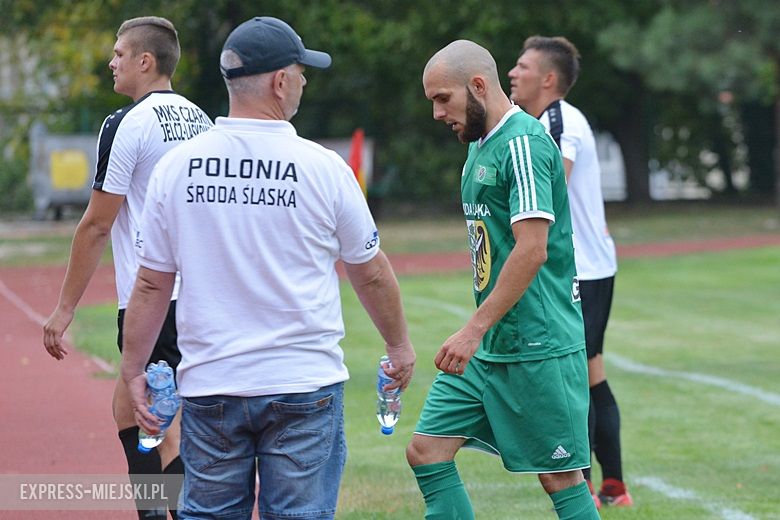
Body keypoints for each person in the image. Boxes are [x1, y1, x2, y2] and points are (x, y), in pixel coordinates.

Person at [119, 16, 416, 519]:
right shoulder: (323, 167)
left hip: (212, 384)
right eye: (300, 72)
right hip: (302, 384)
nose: (302, 81)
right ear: (281, 81)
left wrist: (133, 369)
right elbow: (369, 270)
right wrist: (399, 346)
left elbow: (151, 282)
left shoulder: (178, 167)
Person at [408, 39, 599, 520]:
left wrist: (472, 328)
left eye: (442, 98)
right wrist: (481, 332)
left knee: (559, 478)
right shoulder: (479, 144)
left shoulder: (524, 144)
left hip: (537, 344)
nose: (436, 113)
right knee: (426, 450)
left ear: (477, 85)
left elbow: (532, 250)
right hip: (492, 344)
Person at [43, 16, 213, 520]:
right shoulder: (203, 119)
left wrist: (63, 309)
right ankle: (154, 510)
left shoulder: (127, 123)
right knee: (129, 402)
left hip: (152, 294)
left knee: (162, 419)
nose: (110, 62)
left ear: (146, 61)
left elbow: (97, 224)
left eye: (119, 54)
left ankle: (179, 513)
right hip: (202, 293)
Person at [508, 36, 631, 508]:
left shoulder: (559, 119)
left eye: (521, 66)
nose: (512, 74)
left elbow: (551, 181)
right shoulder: (541, 120)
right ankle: (612, 487)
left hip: (584, 269)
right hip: (584, 266)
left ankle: (583, 490)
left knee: (574, 374)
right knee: (589, 371)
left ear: (549, 79)